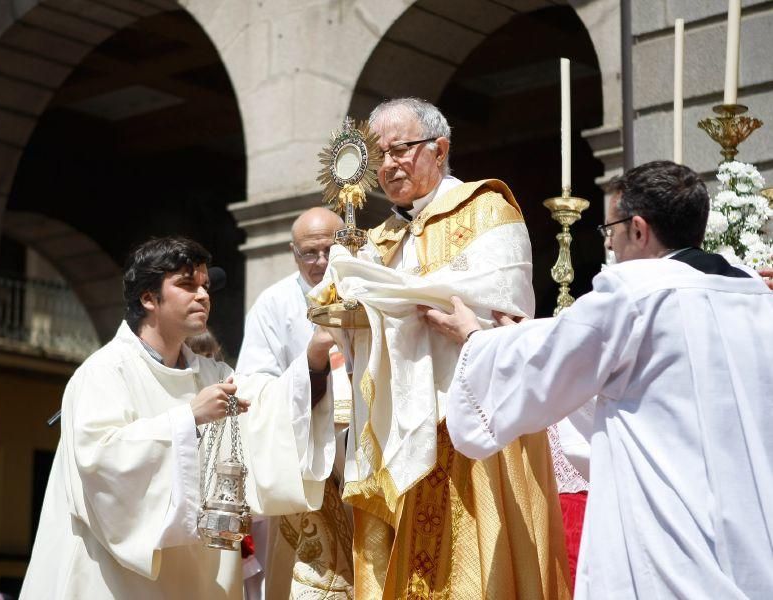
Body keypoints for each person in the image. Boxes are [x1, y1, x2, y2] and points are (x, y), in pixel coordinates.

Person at [423, 161, 773, 598]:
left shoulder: (634, 291)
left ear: (639, 229)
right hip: (750, 535)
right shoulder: (754, 296)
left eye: (611, 229)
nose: (611, 242)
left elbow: (548, 367)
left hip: (670, 538)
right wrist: (522, 334)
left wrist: (476, 339)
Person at [315, 97, 570, 599]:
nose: (389, 164)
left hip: (472, 419)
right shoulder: (375, 240)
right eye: (379, 155)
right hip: (397, 430)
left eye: (402, 149)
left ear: (440, 148)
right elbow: (359, 316)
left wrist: (391, 296)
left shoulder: (487, 208)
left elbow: (502, 296)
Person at [20, 237, 337, 600]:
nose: (203, 295)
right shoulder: (104, 373)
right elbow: (101, 462)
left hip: (200, 577)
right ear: (148, 298)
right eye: (187, 285)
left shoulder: (213, 374)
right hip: (115, 581)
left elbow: (273, 412)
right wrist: (188, 418)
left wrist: (314, 359)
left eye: (205, 285)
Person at [236, 206, 354, 600]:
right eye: (310, 252)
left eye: (331, 249)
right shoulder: (273, 305)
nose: (321, 262)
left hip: (368, 456)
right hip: (305, 464)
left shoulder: (369, 288)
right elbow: (253, 390)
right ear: (293, 252)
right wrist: (312, 363)